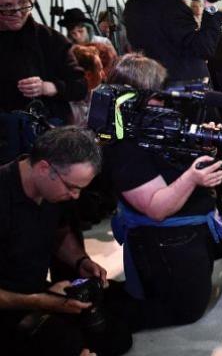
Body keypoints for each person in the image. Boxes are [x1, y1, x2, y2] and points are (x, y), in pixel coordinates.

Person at [102, 54, 222, 331]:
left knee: (194, 299)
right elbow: (157, 208)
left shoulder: (148, 125)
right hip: (163, 237)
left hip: (189, 227)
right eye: (156, 97)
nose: (163, 103)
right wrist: (193, 177)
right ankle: (93, 310)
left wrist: (200, 147)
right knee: (185, 311)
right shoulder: (123, 147)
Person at [0, 126, 131, 356]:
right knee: (68, 343)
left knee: (116, 336)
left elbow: (60, 232)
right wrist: (43, 302)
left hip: (37, 292)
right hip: (9, 303)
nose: (75, 195)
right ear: (43, 168)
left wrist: (80, 261)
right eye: (72, 187)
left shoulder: (54, 190)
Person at [0, 0, 88, 163]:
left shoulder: (52, 40)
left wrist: (50, 87)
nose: (17, 12)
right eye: (6, 7)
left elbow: (80, 86)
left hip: (47, 137)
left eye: (23, 4)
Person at [123, 0, 222, 82]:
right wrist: (210, 4)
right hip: (185, 85)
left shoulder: (131, 6)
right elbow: (205, 48)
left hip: (152, 81)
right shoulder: (171, 7)